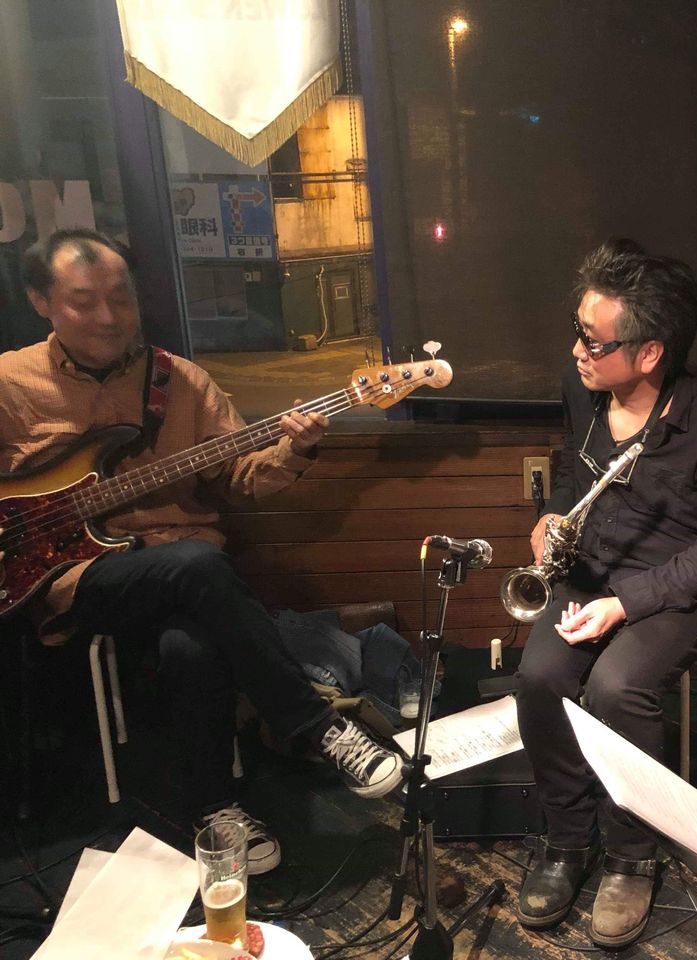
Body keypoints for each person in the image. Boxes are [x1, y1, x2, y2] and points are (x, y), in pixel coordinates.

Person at [0, 229, 403, 875]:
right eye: (84, 301)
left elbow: (239, 476)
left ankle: (216, 813)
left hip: (187, 579)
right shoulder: (10, 383)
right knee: (198, 564)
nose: (108, 316)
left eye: (121, 298)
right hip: (76, 579)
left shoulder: (179, 381)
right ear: (41, 302)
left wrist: (295, 447)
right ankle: (317, 725)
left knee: (190, 639)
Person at [514, 239, 697, 948]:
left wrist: (626, 604)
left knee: (617, 689)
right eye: (578, 332)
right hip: (591, 571)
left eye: (593, 341)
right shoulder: (581, 392)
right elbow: (569, 474)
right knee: (539, 677)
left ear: (649, 353)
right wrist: (552, 516)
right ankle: (567, 838)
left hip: (675, 589)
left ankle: (630, 854)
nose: (577, 351)